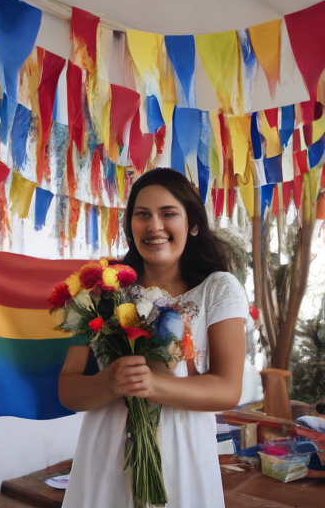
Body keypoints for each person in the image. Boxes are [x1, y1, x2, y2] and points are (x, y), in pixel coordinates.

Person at [59, 168, 249, 508]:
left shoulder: (218, 289)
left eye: (168, 214)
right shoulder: (103, 290)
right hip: (104, 459)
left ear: (192, 224)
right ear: (131, 225)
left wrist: (151, 385)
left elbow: (228, 389)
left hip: (183, 458)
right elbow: (68, 391)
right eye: (142, 215)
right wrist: (108, 384)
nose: (154, 226)